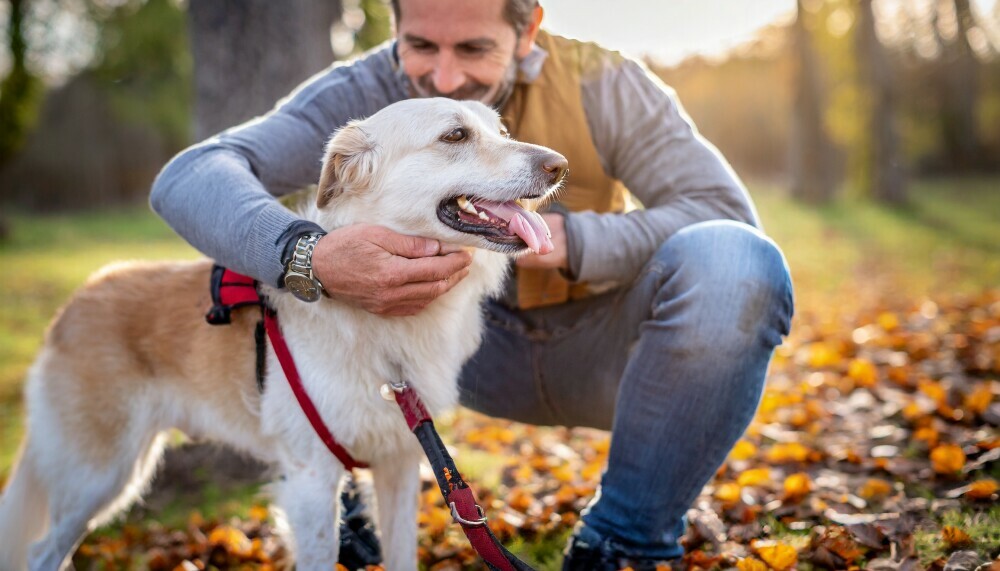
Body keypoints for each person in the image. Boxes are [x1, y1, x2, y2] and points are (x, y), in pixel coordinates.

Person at [150, 0, 794, 568]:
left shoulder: (608, 82)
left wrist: (575, 242)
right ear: (395, 28)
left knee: (737, 263)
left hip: (613, 356)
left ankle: (622, 544)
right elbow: (191, 175)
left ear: (528, 30)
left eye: (475, 48)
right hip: (464, 357)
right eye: (422, 45)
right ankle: (340, 500)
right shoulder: (367, 93)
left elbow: (728, 214)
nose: (445, 75)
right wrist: (307, 256)